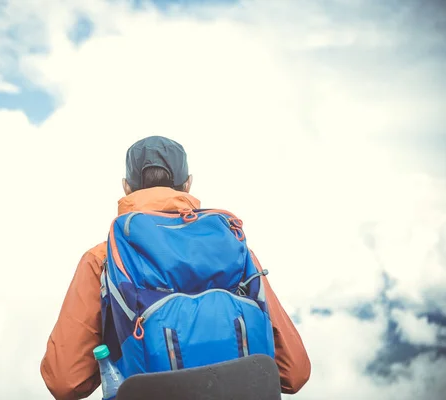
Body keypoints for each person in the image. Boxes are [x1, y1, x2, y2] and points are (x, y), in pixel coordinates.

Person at [40, 136, 311, 400]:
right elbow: (294, 372)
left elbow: (65, 382)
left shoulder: (103, 258)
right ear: (188, 184)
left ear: (126, 188)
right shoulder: (235, 249)